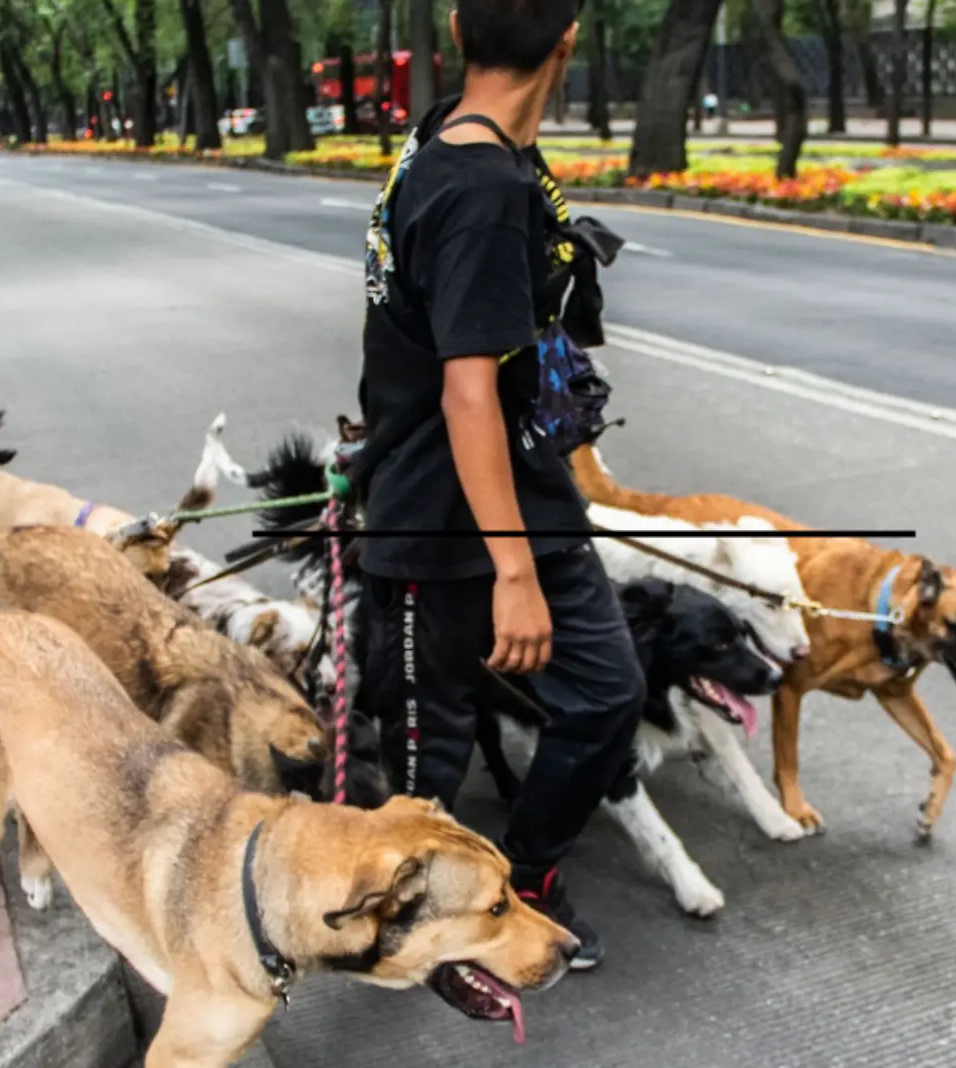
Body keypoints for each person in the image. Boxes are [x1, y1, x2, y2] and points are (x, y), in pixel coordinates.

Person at [351, 0, 638, 970]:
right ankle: (422, 936)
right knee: (432, 760)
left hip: (520, 489)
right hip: (447, 518)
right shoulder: (472, 183)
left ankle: (518, 878)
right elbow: (466, 390)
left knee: (605, 694)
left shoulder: (463, 140)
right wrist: (512, 572)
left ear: (455, 23)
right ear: (569, 37)